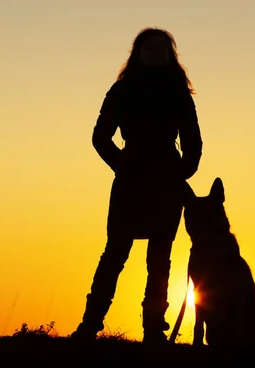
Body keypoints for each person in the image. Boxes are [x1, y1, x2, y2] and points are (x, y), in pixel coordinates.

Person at [71, 27, 203, 344]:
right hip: (130, 182)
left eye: (161, 47)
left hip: (166, 183)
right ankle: (90, 325)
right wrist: (123, 166)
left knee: (160, 258)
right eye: (148, 47)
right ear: (138, 53)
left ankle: (153, 329)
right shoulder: (122, 91)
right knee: (114, 254)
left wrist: (181, 171)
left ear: (170, 54)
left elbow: (193, 140)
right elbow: (100, 137)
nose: (155, 52)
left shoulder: (178, 93)